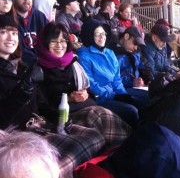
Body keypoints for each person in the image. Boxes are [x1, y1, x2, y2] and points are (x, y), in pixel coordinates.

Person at [0, 14, 105, 177]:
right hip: (18, 135)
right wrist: (24, 88)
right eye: (4, 32)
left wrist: (59, 118)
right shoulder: (30, 69)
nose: (10, 38)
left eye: (14, 33)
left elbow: (41, 104)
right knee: (76, 147)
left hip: (41, 124)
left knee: (95, 136)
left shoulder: (23, 67)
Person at [36, 22, 131, 145]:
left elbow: (88, 89)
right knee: (102, 124)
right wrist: (69, 98)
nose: (59, 45)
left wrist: (86, 94)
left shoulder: (73, 62)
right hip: (65, 116)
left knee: (119, 123)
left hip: (88, 106)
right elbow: (41, 104)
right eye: (54, 41)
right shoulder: (39, 69)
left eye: (63, 41)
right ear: (45, 43)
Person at [77, 18, 140, 127]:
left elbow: (117, 79)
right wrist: (113, 96)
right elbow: (90, 83)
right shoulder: (83, 55)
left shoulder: (109, 53)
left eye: (103, 33)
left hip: (113, 94)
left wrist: (123, 94)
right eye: (97, 34)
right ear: (89, 35)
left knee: (141, 101)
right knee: (131, 110)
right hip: (99, 99)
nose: (102, 37)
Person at [12, 0, 48, 64]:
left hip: (42, 59)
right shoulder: (9, 18)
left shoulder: (39, 16)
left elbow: (50, 37)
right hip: (22, 62)